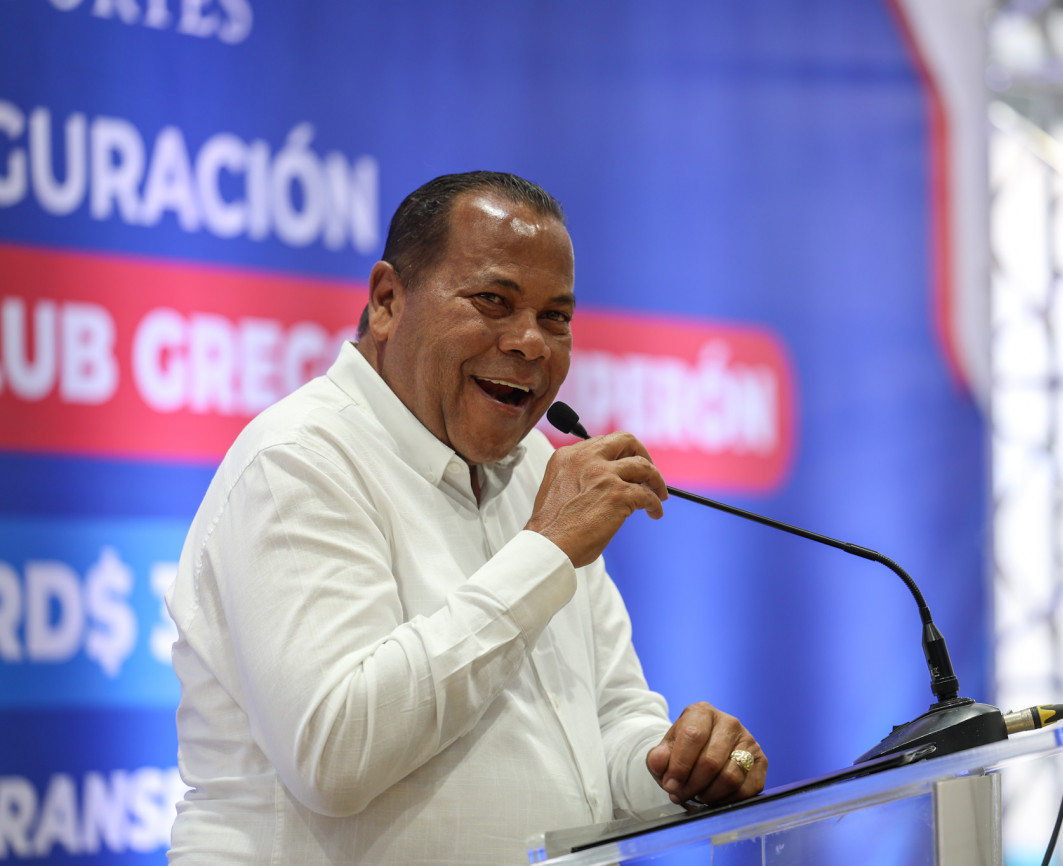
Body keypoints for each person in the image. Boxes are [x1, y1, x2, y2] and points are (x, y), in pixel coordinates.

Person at [166, 171, 767, 864]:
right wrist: (545, 550)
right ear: (387, 301)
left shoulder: (539, 470)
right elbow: (334, 754)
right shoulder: (298, 459)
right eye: (493, 301)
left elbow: (605, 723)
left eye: (556, 318)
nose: (531, 342)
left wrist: (673, 766)